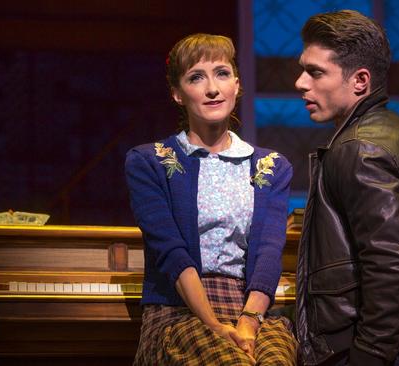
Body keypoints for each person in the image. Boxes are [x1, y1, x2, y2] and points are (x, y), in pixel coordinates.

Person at [293, 10, 399, 366]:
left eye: (316, 72)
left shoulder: (359, 148)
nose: (300, 83)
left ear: (360, 81)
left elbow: (391, 263)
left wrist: (368, 356)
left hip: (370, 348)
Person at [125, 33, 297, 366]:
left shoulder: (271, 166)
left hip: (253, 309)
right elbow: (172, 252)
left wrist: (248, 322)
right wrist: (214, 324)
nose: (212, 89)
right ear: (177, 93)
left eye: (221, 73)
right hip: (180, 311)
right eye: (196, 77)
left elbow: (268, 252)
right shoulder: (150, 161)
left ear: (237, 83)